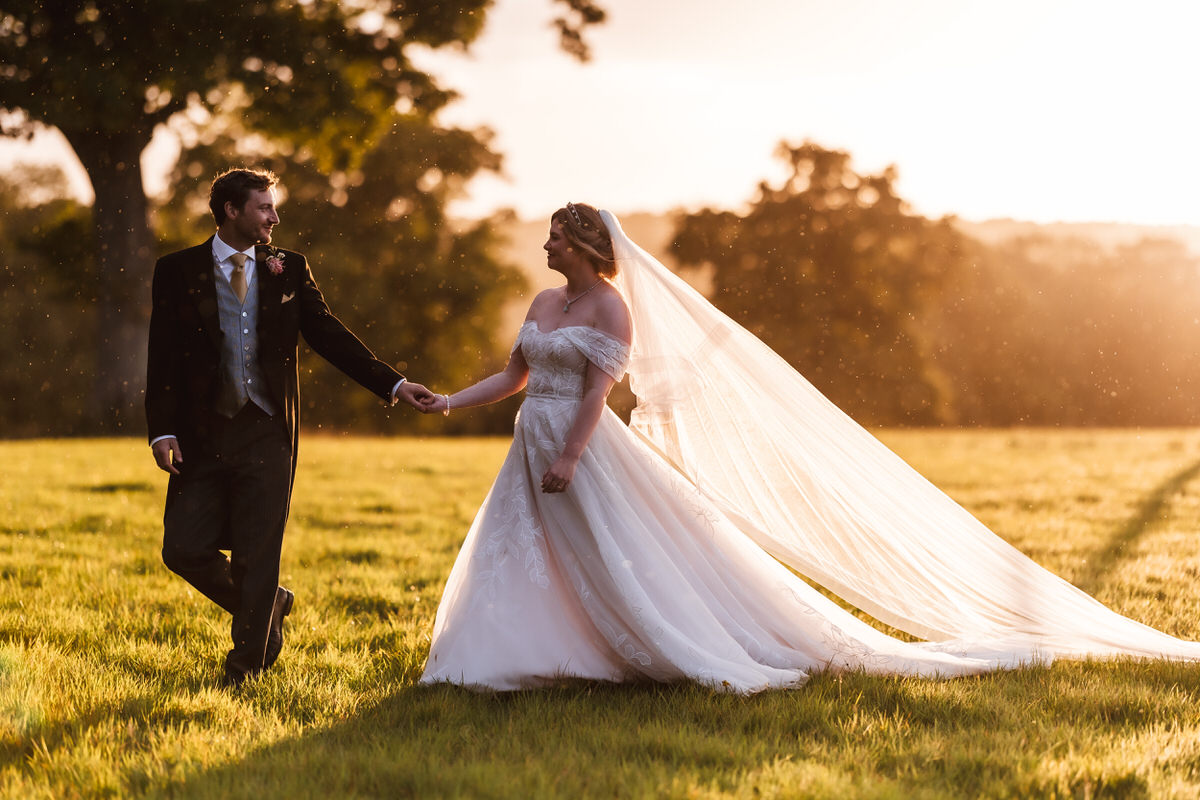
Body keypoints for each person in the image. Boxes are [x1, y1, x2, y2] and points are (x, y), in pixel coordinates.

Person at [416, 203, 1200, 694]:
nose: (545, 245)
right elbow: (515, 375)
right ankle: (510, 653)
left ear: (583, 245)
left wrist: (572, 457)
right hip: (529, 441)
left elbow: (596, 396)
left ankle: (656, 642)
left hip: (579, 449)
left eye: (555, 235)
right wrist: (451, 400)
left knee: (614, 548)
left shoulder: (611, 312)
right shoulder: (544, 300)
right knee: (522, 548)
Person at [145, 167, 432, 688]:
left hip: (267, 432)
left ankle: (243, 672)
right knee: (182, 548)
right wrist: (161, 430)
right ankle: (269, 602)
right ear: (231, 211)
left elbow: (328, 335)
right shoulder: (177, 270)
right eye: (264, 208)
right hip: (200, 435)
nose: (274, 217)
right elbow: (161, 355)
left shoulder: (289, 268)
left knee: (259, 552)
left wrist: (393, 384)